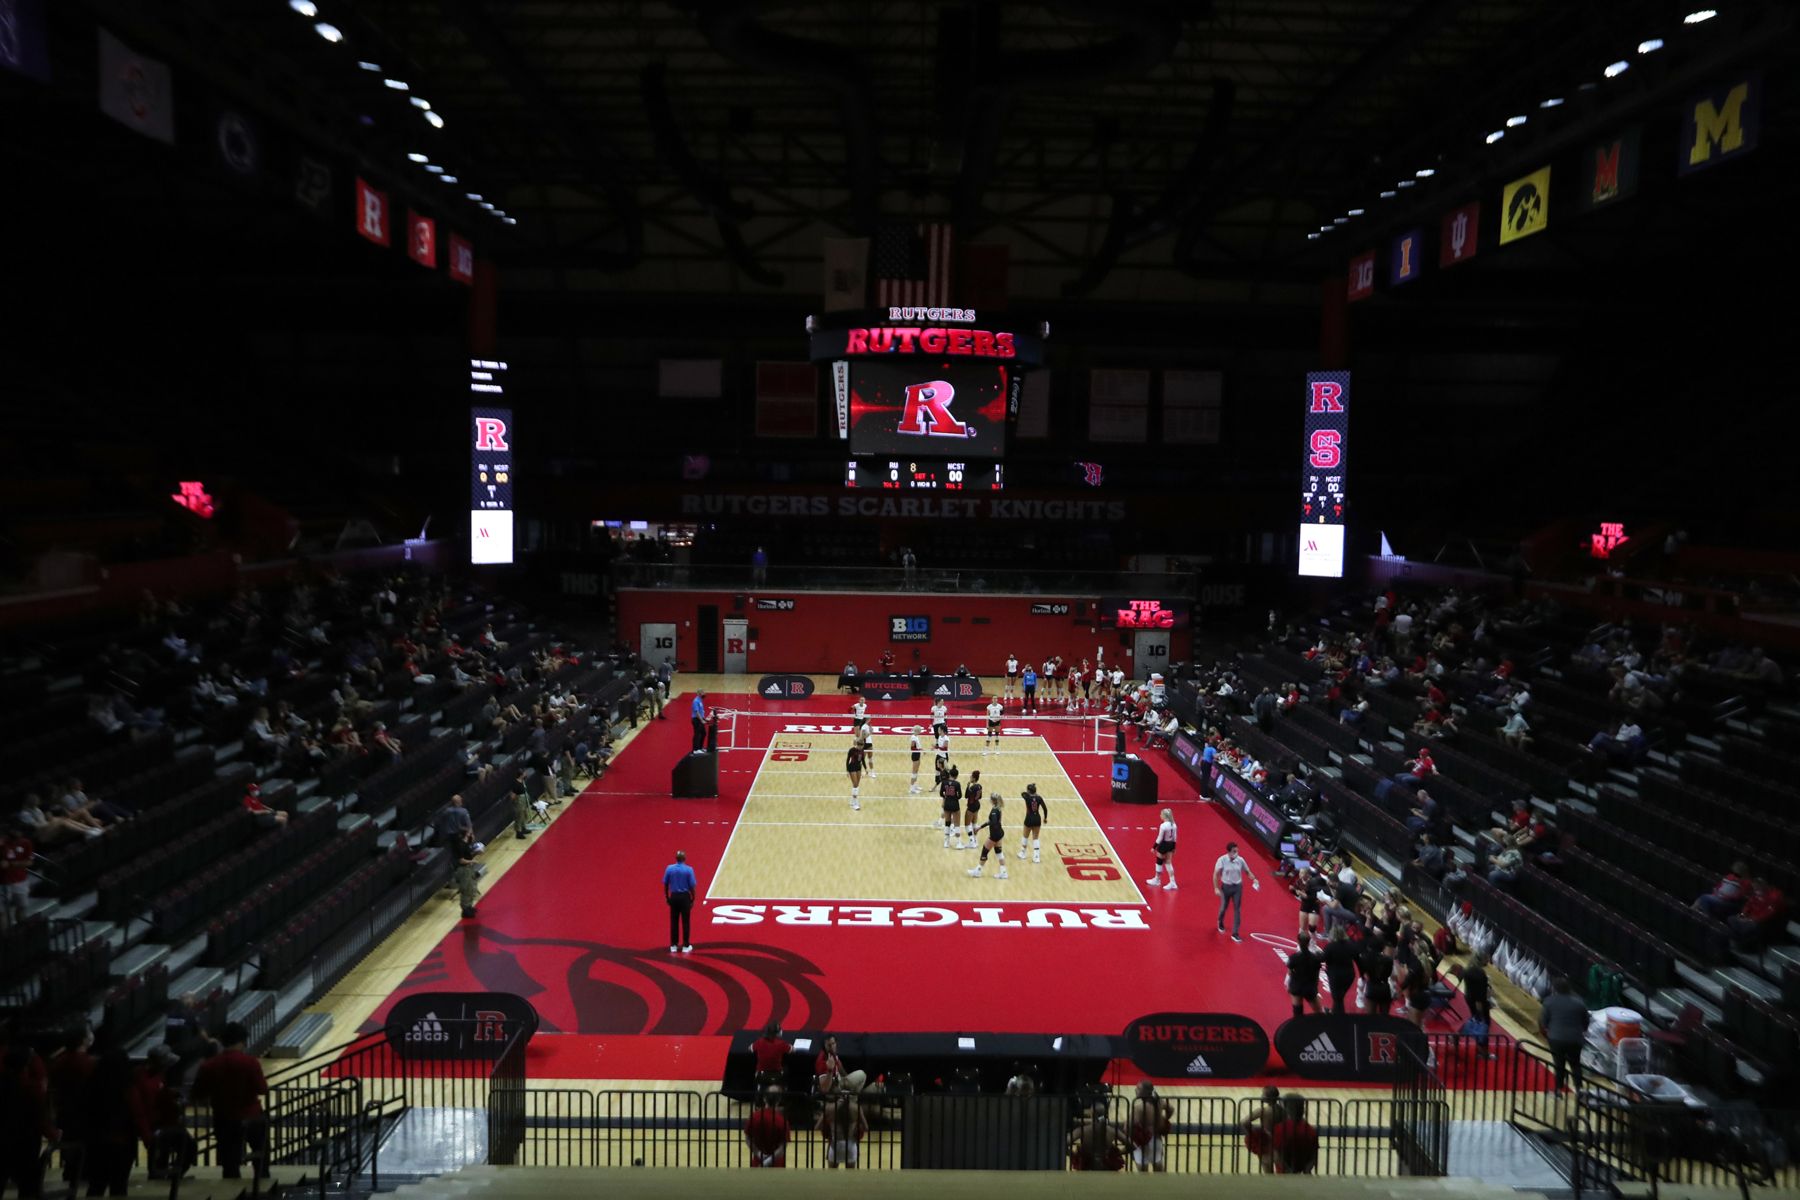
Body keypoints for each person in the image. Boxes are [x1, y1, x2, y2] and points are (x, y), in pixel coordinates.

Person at [192, 1023, 269, 1180]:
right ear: (243, 1041)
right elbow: (262, 1089)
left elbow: (197, 1093)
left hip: (224, 1118)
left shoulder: (209, 1065)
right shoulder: (250, 1062)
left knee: (229, 1161)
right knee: (261, 1153)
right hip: (251, 1115)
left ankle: (232, 1190)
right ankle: (263, 1185)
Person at [0, 1044, 54, 1199]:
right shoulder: (31, 1089)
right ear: (26, 1066)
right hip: (25, 1145)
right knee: (28, 1187)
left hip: (2, 1143)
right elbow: (40, 1119)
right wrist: (54, 1134)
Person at [1538, 975, 1590, 1093]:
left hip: (1556, 1038)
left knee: (1559, 1064)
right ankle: (1579, 1090)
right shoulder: (1579, 1002)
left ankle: (1558, 1090)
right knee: (1575, 1064)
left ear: (1554, 989)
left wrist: (1548, 1031)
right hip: (1575, 1039)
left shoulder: (1549, 1001)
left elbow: (1544, 1022)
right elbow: (1586, 1021)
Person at [1212, 842, 1260, 941]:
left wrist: (1254, 879)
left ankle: (1235, 933)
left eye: (1237, 851)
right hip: (1226, 887)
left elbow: (1247, 871)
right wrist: (1216, 888)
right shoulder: (1222, 860)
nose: (1236, 853)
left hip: (1237, 888)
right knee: (1223, 907)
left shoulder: (1240, 860)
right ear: (1229, 852)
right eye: (1234, 851)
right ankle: (1220, 922)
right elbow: (1215, 874)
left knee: (1237, 909)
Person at [1069, 1098, 1126, 1172]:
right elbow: (1132, 1145)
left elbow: (1065, 1143)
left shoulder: (1082, 1130)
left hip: (1087, 1166)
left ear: (1091, 1114)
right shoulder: (1112, 1131)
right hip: (1107, 1166)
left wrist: (1073, 1154)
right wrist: (1118, 1153)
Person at [1729, 877, 1787, 949]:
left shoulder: (1774, 896)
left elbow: (1767, 915)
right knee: (1731, 918)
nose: (1755, 889)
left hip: (1764, 922)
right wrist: (1742, 915)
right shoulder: (1756, 893)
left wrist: (1750, 920)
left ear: (1763, 885)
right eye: (1754, 887)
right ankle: (1737, 940)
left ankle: (1741, 943)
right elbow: (1748, 905)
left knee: (1747, 926)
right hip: (1750, 918)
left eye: (1757, 888)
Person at [817, 1086, 867, 1169]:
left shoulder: (829, 1107)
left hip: (835, 1145)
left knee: (832, 1174)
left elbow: (817, 1127)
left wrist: (829, 1127)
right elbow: (866, 1127)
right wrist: (856, 1127)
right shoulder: (856, 1107)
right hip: (851, 1144)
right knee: (850, 1175)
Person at [1129, 1082, 1173, 1174]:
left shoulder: (1138, 1108)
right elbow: (1171, 1108)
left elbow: (1129, 1126)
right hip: (1156, 1140)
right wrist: (1165, 1119)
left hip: (1142, 1142)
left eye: (1138, 1088)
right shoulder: (1160, 1103)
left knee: (1143, 1173)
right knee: (1159, 1170)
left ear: (1145, 1091)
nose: (1135, 1090)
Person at [966, 787, 1008, 880]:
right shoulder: (998, 808)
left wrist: (992, 835)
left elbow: (993, 822)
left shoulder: (994, 811)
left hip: (995, 835)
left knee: (985, 851)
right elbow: (993, 821)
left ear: (992, 800)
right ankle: (1004, 872)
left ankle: (978, 871)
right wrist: (980, 827)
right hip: (1000, 833)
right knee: (999, 852)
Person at [1272, 1094, 1319, 1174]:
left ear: (1285, 1109)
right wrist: (1306, 1170)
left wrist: (1288, 1170)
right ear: (1303, 1109)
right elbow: (1314, 1156)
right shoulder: (1310, 1130)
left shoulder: (1279, 1129)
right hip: (1303, 1173)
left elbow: (1276, 1155)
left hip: (1283, 1174)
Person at [743, 1086, 788, 1168]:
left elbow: (748, 1139)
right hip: (777, 1165)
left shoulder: (754, 1116)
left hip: (758, 1162)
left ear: (764, 1098)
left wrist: (759, 1154)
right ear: (779, 1100)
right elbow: (782, 1147)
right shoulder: (782, 1121)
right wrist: (768, 1161)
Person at [664, 850, 697, 954]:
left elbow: (666, 884)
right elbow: (692, 886)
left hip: (674, 896)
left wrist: (667, 897)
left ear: (676, 858)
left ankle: (673, 945)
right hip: (684, 897)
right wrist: (693, 898)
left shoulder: (669, 868)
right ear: (684, 859)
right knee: (685, 922)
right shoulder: (689, 870)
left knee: (674, 921)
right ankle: (685, 945)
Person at [1, 823, 33, 932]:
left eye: (18, 831)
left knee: (22, 907)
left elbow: (29, 862)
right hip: (2, 882)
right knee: (2, 912)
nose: (16, 833)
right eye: (14, 830)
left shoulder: (26, 843)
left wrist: (12, 864)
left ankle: (21, 932)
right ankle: (5, 937)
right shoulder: (2, 843)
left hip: (20, 881)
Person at [1323, 926, 1359, 1014]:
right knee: (1339, 997)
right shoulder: (1351, 945)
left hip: (1335, 976)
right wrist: (1362, 974)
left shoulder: (1330, 947)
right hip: (1349, 976)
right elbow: (1358, 960)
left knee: (1338, 998)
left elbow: (1322, 958)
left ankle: (1338, 1017)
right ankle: (1334, 1012)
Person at [452, 828, 482, 919]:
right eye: (470, 833)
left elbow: (468, 856)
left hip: (468, 868)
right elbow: (461, 860)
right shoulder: (460, 845)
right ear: (466, 834)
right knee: (466, 889)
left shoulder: (466, 844)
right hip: (463, 870)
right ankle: (465, 910)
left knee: (471, 888)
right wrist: (472, 861)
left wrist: (476, 853)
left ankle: (469, 906)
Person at [750, 1022, 791, 1089]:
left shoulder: (759, 1042)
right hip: (778, 1074)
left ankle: (759, 1091)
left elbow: (750, 1048)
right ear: (778, 1033)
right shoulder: (782, 1044)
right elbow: (792, 1050)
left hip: (761, 1075)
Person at [1146, 808, 1178, 890]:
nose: (1160, 815)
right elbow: (1175, 838)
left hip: (1164, 845)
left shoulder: (1163, 826)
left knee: (1159, 861)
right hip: (1171, 845)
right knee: (1168, 863)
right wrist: (1174, 848)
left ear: (1164, 816)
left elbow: (1160, 838)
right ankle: (1172, 882)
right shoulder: (1174, 825)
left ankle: (1157, 879)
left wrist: (1154, 847)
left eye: (1161, 814)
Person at [1017, 784, 1048, 863]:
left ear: (1028, 791)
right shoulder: (1039, 798)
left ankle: (1023, 853)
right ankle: (1036, 857)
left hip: (1029, 819)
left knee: (1025, 836)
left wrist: (1029, 792)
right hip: (1037, 819)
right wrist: (1045, 818)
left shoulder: (1027, 797)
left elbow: (1022, 793)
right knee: (1036, 838)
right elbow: (1045, 809)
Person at [962, 771, 988, 862]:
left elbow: (966, 796)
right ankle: (975, 840)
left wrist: (967, 786)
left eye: (971, 776)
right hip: (977, 805)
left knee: (967, 825)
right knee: (974, 823)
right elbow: (980, 797)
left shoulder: (972, 787)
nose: (970, 777)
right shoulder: (980, 786)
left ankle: (971, 842)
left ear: (974, 778)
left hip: (971, 806)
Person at [940, 766, 964, 850]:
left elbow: (941, 793)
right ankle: (958, 843)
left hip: (947, 804)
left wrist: (947, 797)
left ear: (950, 774)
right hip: (955, 804)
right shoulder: (957, 784)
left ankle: (946, 842)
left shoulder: (944, 783)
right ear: (956, 776)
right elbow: (960, 795)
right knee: (957, 824)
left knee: (947, 823)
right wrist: (954, 798)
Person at [511, 770, 533, 840]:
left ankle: (523, 828)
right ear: (521, 775)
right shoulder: (516, 784)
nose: (526, 774)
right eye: (524, 773)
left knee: (524, 814)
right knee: (519, 816)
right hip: (519, 801)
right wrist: (516, 802)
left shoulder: (522, 781)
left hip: (524, 800)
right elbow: (512, 796)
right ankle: (518, 832)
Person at [844, 736, 865, 812]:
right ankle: (855, 803)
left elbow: (862, 760)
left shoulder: (862, 751)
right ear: (857, 744)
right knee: (855, 784)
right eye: (860, 745)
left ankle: (852, 801)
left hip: (858, 768)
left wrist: (865, 769)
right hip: (852, 768)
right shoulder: (852, 750)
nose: (861, 747)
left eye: (862, 745)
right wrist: (847, 770)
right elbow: (847, 760)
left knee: (857, 785)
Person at [907, 726, 924, 795]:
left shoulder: (916, 736)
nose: (920, 731)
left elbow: (917, 746)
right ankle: (911, 789)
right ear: (917, 731)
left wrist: (921, 750)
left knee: (916, 771)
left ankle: (915, 785)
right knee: (914, 772)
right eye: (920, 730)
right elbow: (912, 748)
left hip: (917, 754)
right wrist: (920, 750)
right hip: (915, 755)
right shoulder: (913, 737)